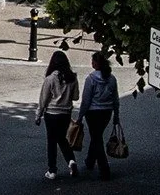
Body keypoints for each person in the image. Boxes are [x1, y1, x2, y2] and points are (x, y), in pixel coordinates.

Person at [34, 49, 80, 179]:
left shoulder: (50, 79)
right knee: (62, 139)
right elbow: (76, 97)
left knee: (52, 141)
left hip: (52, 113)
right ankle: (71, 161)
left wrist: (38, 115)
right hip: (65, 113)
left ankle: (52, 170)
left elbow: (43, 99)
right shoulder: (73, 78)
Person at [78, 50, 121, 180]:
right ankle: (90, 160)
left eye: (93, 61)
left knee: (96, 138)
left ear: (96, 64)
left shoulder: (91, 79)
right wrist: (116, 115)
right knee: (97, 136)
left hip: (93, 112)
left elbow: (86, 100)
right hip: (107, 112)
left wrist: (80, 116)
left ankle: (104, 168)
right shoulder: (112, 79)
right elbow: (115, 98)